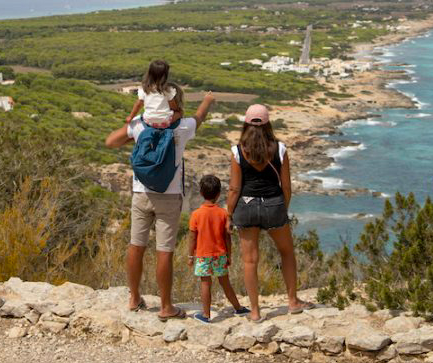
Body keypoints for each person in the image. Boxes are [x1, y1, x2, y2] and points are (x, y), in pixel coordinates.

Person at [105, 89, 216, 320]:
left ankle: (134, 297)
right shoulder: (183, 127)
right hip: (169, 195)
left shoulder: (140, 125)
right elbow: (200, 116)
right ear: (174, 107)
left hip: (141, 193)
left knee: (136, 246)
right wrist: (207, 100)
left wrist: (132, 133)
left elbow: (110, 142)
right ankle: (166, 306)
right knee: (164, 251)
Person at [226, 104, 309, 321]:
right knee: (287, 252)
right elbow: (287, 186)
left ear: (245, 123)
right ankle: (292, 301)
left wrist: (229, 214)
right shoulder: (280, 149)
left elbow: (234, 188)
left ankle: (254, 311)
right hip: (274, 205)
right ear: (268, 123)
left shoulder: (238, 151)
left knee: (250, 261)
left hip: (246, 206)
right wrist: (283, 208)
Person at [188, 174, 248, 322]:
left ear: (201, 193)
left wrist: (190, 256)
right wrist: (229, 255)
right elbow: (228, 237)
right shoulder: (223, 214)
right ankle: (238, 308)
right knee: (225, 282)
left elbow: (192, 238)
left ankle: (206, 315)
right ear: (219, 193)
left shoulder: (196, 215)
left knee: (205, 283)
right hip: (220, 254)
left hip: (203, 255)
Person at [126, 59, 182, 128]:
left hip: (148, 121)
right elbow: (173, 106)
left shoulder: (144, 89)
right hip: (165, 121)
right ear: (165, 75)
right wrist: (178, 111)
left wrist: (130, 117)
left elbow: (138, 105)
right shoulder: (168, 90)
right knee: (179, 113)